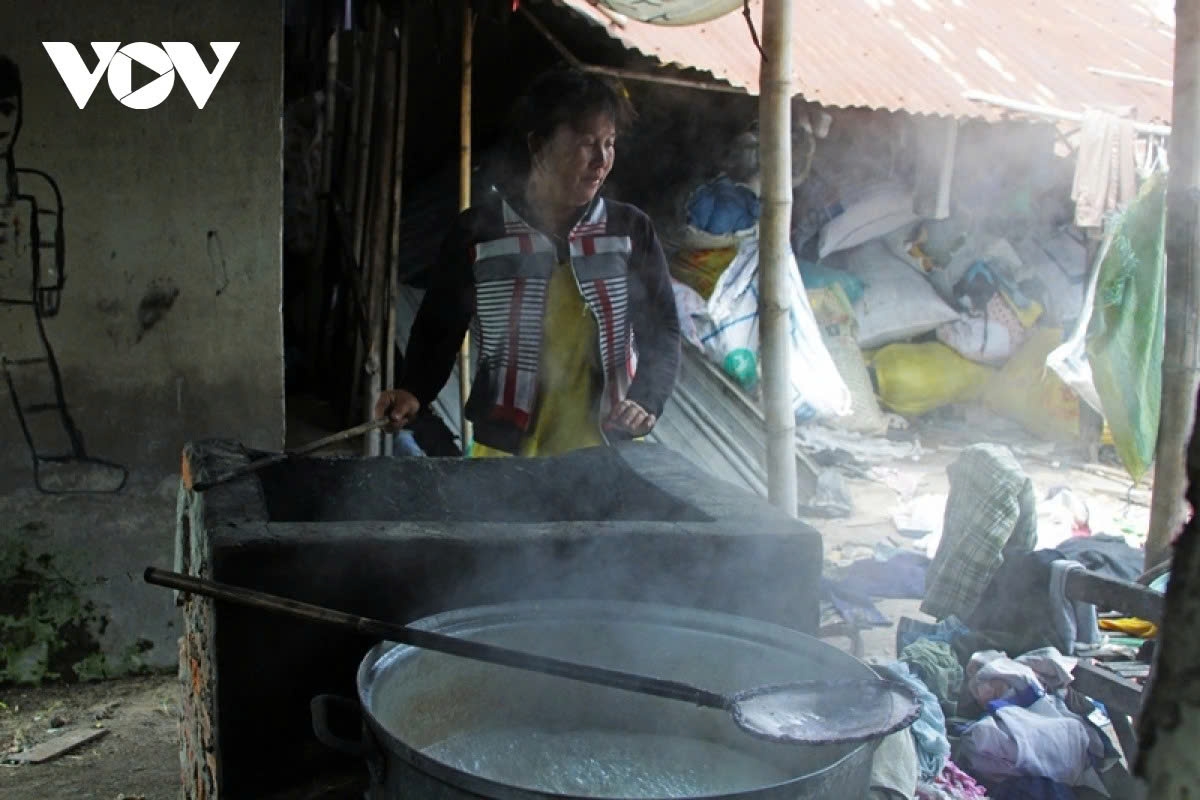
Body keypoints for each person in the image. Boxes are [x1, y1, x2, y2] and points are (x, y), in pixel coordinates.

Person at [375, 68, 680, 457]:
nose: (601, 160)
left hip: (608, 450)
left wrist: (647, 399)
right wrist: (412, 390)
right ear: (539, 145)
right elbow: (439, 326)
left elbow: (663, 326)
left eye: (610, 143)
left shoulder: (629, 230)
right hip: (506, 449)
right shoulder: (480, 233)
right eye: (587, 143)